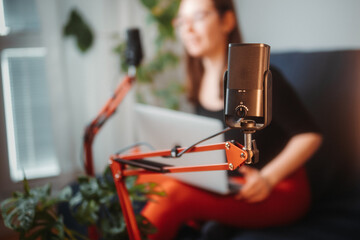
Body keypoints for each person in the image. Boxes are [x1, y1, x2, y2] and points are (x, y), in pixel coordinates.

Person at [137, 0, 323, 239]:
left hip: (277, 188)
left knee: (174, 193)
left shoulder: (262, 77)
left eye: (199, 17)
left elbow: (309, 135)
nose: (188, 29)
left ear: (227, 20)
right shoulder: (198, 81)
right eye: (182, 21)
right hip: (232, 183)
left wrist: (268, 178)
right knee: (146, 176)